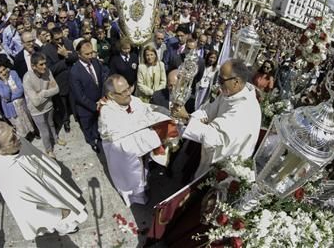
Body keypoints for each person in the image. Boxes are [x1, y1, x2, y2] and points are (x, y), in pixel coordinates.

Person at [0, 121, 87, 240]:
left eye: (14, 130)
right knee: (63, 218)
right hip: (46, 202)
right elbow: (27, 211)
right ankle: (66, 228)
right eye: (12, 139)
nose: (18, 136)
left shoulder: (15, 142)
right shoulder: (7, 178)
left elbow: (33, 153)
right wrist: (59, 214)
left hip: (47, 182)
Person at [171, 59, 261, 178]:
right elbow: (207, 111)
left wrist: (187, 119)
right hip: (208, 154)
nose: (218, 84)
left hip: (225, 166)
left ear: (236, 82)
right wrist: (187, 117)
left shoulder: (244, 109)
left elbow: (215, 137)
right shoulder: (230, 92)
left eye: (221, 80)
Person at [98, 74, 171, 207]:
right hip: (125, 159)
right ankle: (136, 197)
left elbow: (147, 111)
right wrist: (154, 136)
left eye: (129, 88)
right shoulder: (107, 114)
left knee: (143, 173)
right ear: (111, 95)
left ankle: (143, 186)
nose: (129, 94)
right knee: (133, 180)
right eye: (123, 91)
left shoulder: (133, 100)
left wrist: (165, 117)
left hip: (142, 153)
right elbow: (120, 142)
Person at [23, 53, 66, 159]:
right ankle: (49, 150)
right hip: (37, 111)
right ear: (33, 66)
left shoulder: (48, 71)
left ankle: (55, 138)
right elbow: (36, 102)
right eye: (41, 64)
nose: (44, 66)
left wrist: (42, 93)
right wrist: (48, 90)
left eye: (45, 63)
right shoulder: (27, 78)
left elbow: (56, 89)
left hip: (49, 106)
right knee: (44, 131)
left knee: (51, 124)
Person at [70, 40, 107, 153]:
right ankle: (92, 142)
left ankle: (98, 137)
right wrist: (94, 106)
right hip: (85, 108)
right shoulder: (75, 71)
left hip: (99, 102)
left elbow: (101, 79)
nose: (90, 56)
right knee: (88, 128)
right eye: (87, 54)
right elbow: (79, 96)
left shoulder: (95, 62)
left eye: (92, 52)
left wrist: (102, 99)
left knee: (98, 124)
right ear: (79, 54)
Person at [41, 27, 78, 132]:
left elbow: (75, 56)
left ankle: (76, 116)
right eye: (57, 39)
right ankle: (66, 120)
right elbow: (49, 69)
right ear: (51, 39)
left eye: (61, 38)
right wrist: (64, 60)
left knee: (74, 99)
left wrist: (66, 54)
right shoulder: (46, 50)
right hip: (59, 82)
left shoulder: (68, 42)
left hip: (72, 78)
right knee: (62, 104)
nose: (60, 41)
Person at [0, 60, 36, 139]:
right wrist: (5, 82)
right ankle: (26, 138)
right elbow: (6, 96)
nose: (4, 73)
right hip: (11, 108)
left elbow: (21, 89)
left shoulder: (13, 73)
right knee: (19, 124)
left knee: (28, 118)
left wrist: (11, 97)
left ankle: (34, 132)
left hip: (21, 103)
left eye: (4, 69)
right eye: (0, 72)